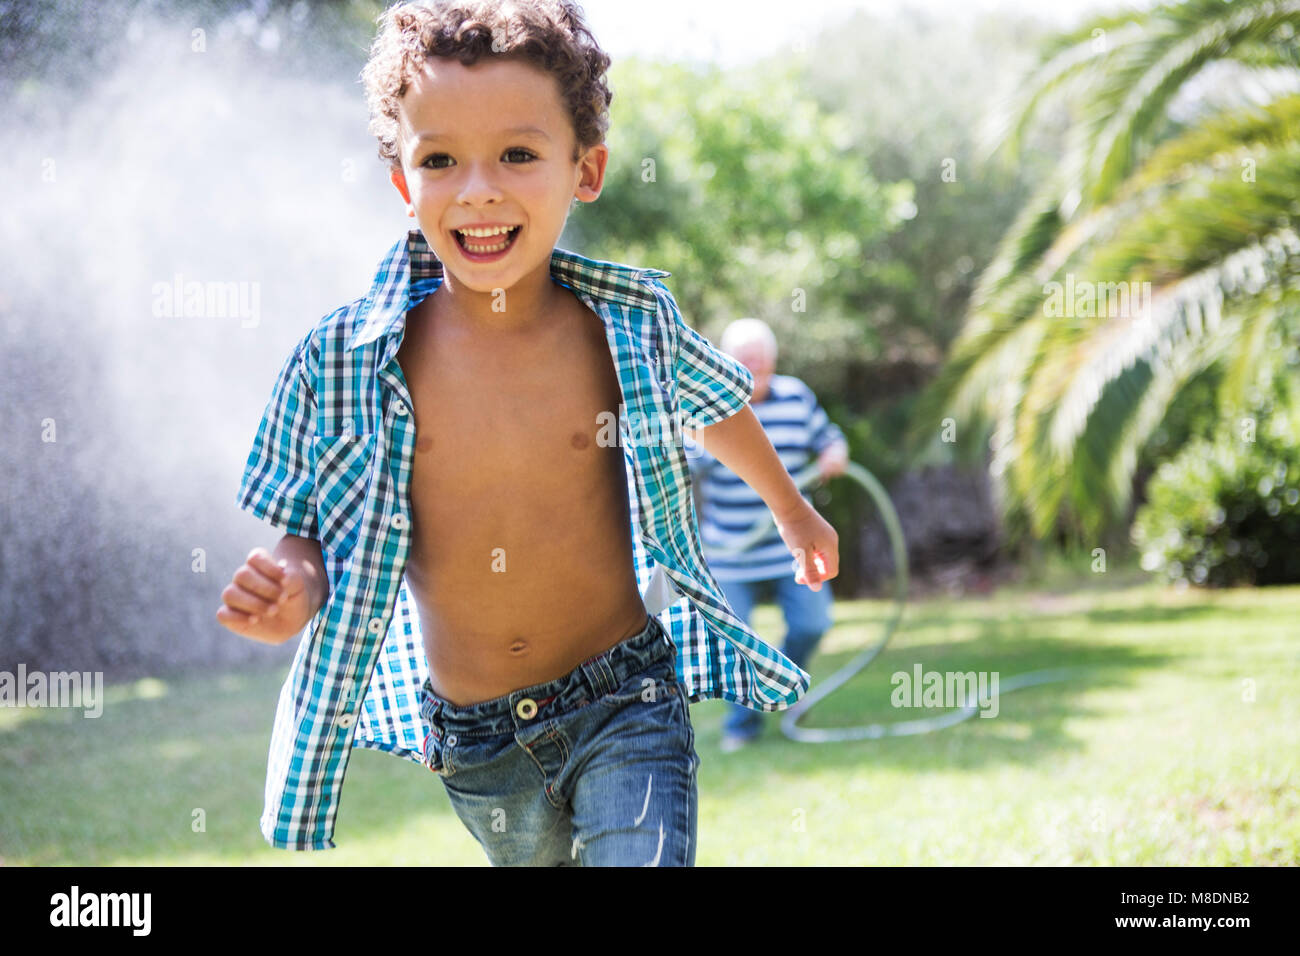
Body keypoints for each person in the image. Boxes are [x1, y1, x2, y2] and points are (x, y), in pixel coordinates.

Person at [216, 0, 838, 866]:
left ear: (585, 170)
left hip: (625, 694)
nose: (477, 189)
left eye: (517, 153)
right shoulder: (345, 358)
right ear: (403, 181)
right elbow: (306, 523)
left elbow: (716, 402)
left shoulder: (620, 326)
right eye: (440, 159)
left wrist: (791, 508)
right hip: (477, 738)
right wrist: (291, 576)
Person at [688, 318, 850, 752]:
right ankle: (742, 726)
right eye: (744, 357)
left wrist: (834, 451)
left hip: (790, 550)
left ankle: (785, 689)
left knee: (812, 622)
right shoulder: (711, 405)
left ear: (774, 359)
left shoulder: (796, 397)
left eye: (760, 356)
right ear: (727, 362)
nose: (754, 364)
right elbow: (687, 461)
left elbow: (828, 436)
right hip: (729, 551)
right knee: (737, 643)